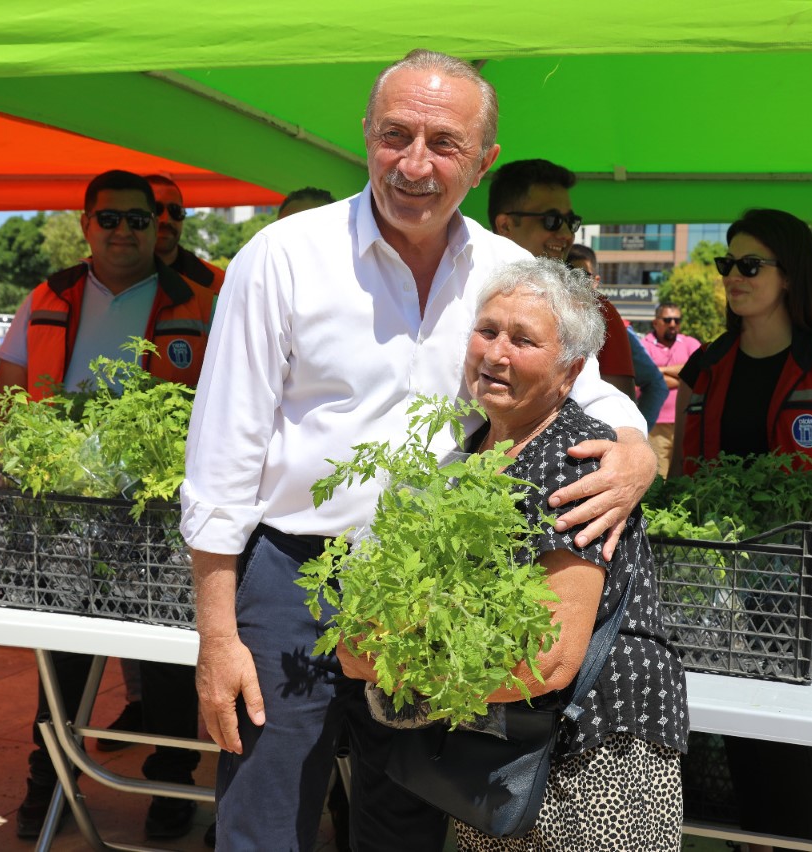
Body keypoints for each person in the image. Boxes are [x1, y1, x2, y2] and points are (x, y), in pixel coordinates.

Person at [182, 49, 657, 851]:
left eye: (443, 143)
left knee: (406, 820)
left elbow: (587, 389)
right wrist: (218, 636)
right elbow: (222, 457)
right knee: (264, 820)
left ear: (483, 162)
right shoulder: (284, 256)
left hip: (433, 586)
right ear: (365, 134)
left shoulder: (508, 270)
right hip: (292, 576)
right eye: (395, 135)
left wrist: (637, 451)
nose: (413, 164)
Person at [339, 257, 688, 850]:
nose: (496, 354)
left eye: (523, 340)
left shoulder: (574, 463)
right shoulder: (470, 454)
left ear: (569, 371)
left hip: (591, 751)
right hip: (501, 744)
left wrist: (392, 666)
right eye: (487, 331)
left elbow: (547, 661)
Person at [0, 169, 214, 840]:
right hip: (62, 509)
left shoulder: (199, 301)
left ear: (157, 226)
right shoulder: (47, 295)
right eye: (109, 218)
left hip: (158, 514)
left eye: (138, 220)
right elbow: (8, 391)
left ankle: (172, 787)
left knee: (168, 661)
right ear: (85, 223)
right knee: (62, 661)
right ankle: (49, 782)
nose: (124, 231)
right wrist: (5, 465)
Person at [667, 208, 812, 852]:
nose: (732, 276)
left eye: (750, 264)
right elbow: (680, 475)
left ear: (788, 275)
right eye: (727, 263)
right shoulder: (704, 366)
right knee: (737, 730)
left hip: (803, 581)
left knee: (789, 741)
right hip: (716, 582)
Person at [488, 160, 637, 398]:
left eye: (571, 222)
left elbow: (618, 407)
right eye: (552, 220)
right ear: (505, 225)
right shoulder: (462, 290)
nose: (566, 234)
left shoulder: (595, 310)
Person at [568, 244, 667, 430]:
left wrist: (636, 432)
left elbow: (653, 385)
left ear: (596, 282)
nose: (573, 281)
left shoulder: (605, 314)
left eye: (582, 275)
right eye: (567, 271)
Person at [642, 302, 702, 475]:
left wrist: (659, 371)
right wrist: (684, 377)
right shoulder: (644, 345)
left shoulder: (690, 343)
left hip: (687, 421)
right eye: (668, 320)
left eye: (677, 320)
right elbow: (645, 379)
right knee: (659, 475)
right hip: (656, 425)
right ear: (655, 323)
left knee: (687, 472)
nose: (673, 324)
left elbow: (698, 373)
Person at [147, 173, 226, 291]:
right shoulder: (116, 279)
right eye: (155, 209)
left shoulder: (217, 283)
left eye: (175, 211)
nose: (166, 219)